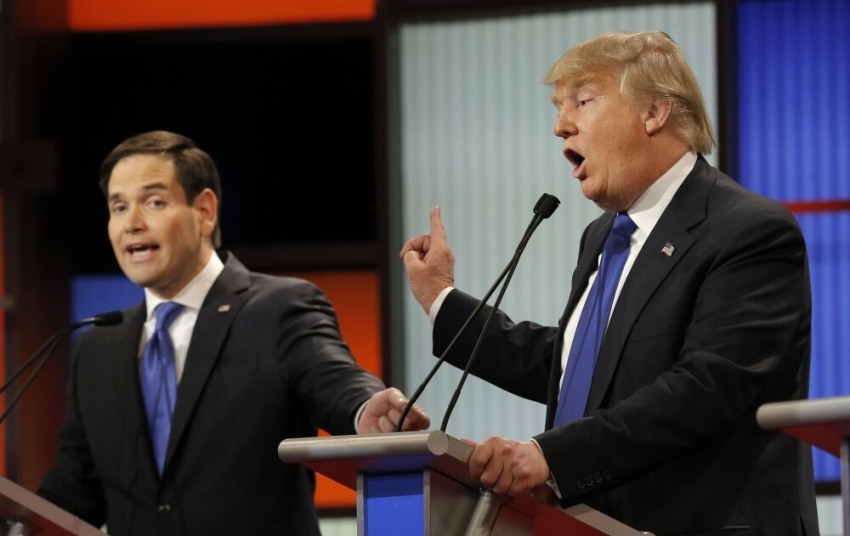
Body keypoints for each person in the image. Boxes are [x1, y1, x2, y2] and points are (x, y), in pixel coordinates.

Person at [400, 30, 818, 535]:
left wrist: (549, 457)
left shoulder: (749, 230)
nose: (560, 126)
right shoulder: (603, 236)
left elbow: (706, 387)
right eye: (559, 107)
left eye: (583, 101)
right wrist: (441, 299)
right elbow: (582, 368)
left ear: (654, 112)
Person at [38, 130, 430, 535]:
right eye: (118, 207)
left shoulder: (278, 309)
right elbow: (74, 490)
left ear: (205, 211)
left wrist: (365, 409)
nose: (132, 224)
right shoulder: (97, 347)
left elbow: (335, 380)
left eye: (154, 202)